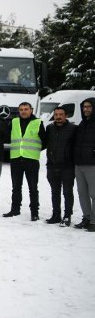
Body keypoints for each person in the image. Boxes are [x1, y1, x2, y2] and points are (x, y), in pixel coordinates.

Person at [6, 101, 46, 220]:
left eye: (26, 109)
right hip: (16, 159)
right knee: (16, 186)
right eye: (21, 109)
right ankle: (15, 209)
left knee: (33, 187)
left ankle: (34, 212)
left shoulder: (38, 123)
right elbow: (6, 137)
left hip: (31, 160)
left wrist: (35, 150)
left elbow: (45, 141)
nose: (23, 111)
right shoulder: (13, 122)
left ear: (31, 110)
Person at [45, 106, 77, 226]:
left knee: (68, 192)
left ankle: (67, 216)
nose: (58, 117)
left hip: (67, 166)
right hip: (52, 166)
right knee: (55, 192)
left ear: (66, 116)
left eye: (61, 114)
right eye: (56, 114)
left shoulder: (73, 129)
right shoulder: (50, 128)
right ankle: (56, 215)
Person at [73, 97, 95, 231]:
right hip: (79, 164)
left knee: (94, 194)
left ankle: (94, 221)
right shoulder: (82, 124)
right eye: (84, 107)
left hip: (92, 164)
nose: (86, 109)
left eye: (89, 107)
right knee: (82, 193)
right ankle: (87, 217)